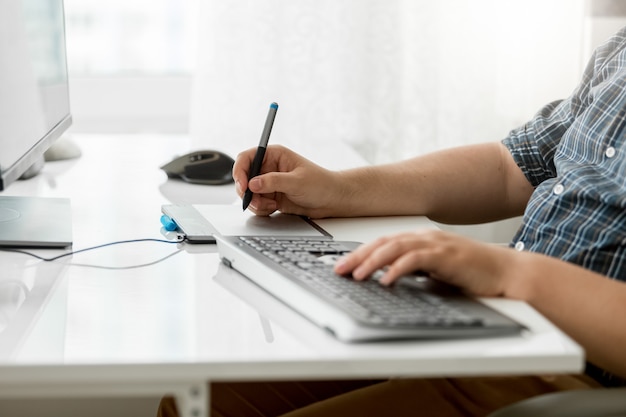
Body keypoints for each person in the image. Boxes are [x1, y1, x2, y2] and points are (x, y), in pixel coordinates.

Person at [159, 26, 626, 417]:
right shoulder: (618, 51)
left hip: (580, 372)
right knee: (195, 405)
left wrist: (509, 273)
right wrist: (336, 191)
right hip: (498, 324)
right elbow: (511, 168)